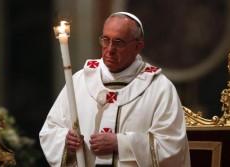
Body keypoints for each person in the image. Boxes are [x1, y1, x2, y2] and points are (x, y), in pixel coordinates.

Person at [39, 12, 191, 167]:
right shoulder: (80, 81)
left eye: (119, 42)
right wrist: (66, 142)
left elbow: (172, 148)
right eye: (106, 40)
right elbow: (50, 131)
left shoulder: (159, 88)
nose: (110, 49)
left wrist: (120, 143)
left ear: (138, 46)